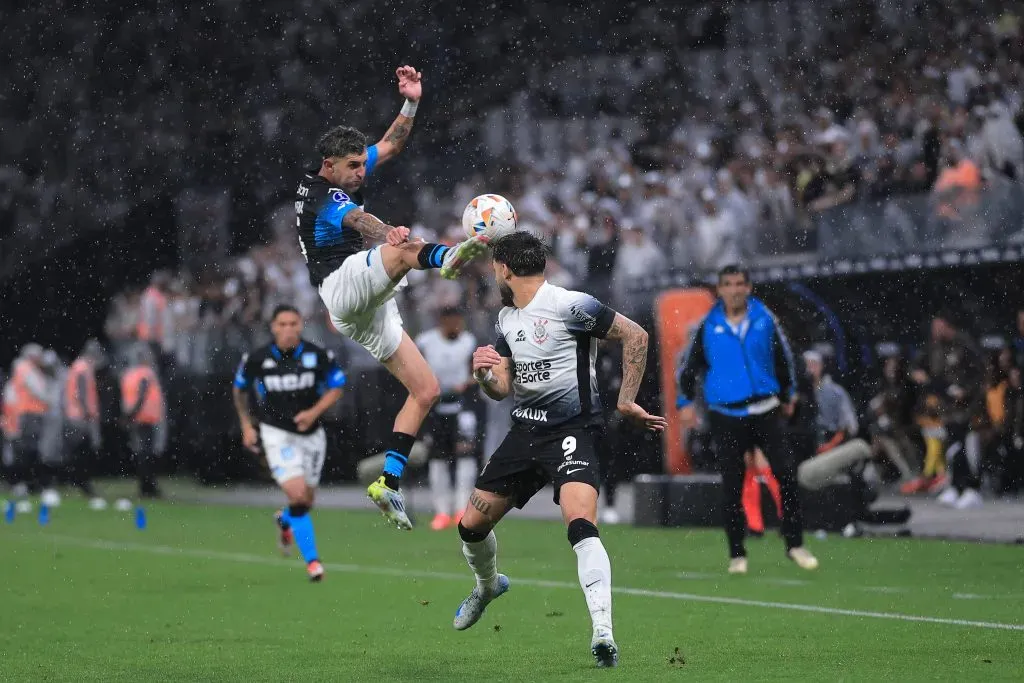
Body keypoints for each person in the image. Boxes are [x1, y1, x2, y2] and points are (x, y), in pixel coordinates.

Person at [450, 232, 666, 669]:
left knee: (581, 525)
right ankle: (488, 585)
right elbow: (504, 388)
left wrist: (625, 400)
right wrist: (484, 377)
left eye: (495, 267)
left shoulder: (571, 304)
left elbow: (636, 335)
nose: (494, 274)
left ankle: (602, 631)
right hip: (525, 434)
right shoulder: (508, 319)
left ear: (506, 268)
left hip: (572, 433)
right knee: (470, 525)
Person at [293, 65, 491, 530]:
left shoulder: (344, 169)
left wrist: (411, 100)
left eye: (363, 164)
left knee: (425, 390)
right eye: (353, 167)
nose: (361, 172)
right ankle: (448, 258)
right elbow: (362, 223)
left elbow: (394, 143)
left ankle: (389, 483)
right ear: (329, 166)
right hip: (340, 285)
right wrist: (391, 233)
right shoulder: (322, 195)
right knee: (402, 250)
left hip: (363, 310)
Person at [677, 265, 818, 575]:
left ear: (749, 287)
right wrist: (684, 401)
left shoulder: (765, 320)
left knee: (787, 475)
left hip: (765, 408)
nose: (735, 289)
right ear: (720, 289)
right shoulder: (707, 326)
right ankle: (737, 553)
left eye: (740, 283)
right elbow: (689, 367)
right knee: (732, 485)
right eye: (728, 284)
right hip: (725, 413)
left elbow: (785, 357)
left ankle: (795, 544)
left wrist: (788, 393)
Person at [232, 305, 345, 582]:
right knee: (297, 496)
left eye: (293, 323)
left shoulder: (317, 355)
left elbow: (338, 385)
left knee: (305, 501)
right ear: (273, 327)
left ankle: (285, 520)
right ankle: (313, 563)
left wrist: (313, 413)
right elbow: (239, 389)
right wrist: (247, 425)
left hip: (312, 435)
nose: (288, 329)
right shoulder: (257, 358)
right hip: (276, 433)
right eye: (282, 324)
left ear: (301, 325)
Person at [415, 307, 479, 531]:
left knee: (465, 457)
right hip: (434, 408)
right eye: (450, 322)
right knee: (437, 459)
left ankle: (463, 509)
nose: (455, 327)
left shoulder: (469, 342)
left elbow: (478, 373)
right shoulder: (425, 342)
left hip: (462, 407)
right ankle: (441, 511)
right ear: (441, 322)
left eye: (458, 322)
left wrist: (466, 383)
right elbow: (414, 370)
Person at [4, 344, 53, 509]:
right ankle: (29, 484)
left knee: (26, 451)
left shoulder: (22, 369)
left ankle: (24, 484)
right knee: (29, 451)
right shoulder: (26, 368)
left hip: (27, 414)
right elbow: (37, 390)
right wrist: (49, 401)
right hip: (30, 414)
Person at [62, 340, 107, 509]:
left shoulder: (78, 366)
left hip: (77, 415)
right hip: (79, 417)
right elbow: (81, 393)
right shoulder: (83, 368)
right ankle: (81, 483)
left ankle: (79, 483)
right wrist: (88, 412)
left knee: (79, 452)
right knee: (81, 453)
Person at [120, 344, 166, 499]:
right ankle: (147, 486)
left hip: (135, 418)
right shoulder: (146, 373)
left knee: (140, 453)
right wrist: (134, 413)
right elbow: (142, 394)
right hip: (145, 418)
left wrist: (128, 416)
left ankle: (146, 484)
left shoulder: (129, 374)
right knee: (146, 454)